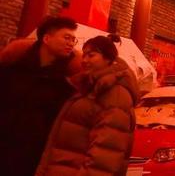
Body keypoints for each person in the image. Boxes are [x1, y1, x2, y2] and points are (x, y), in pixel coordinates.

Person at [36, 35, 138, 175]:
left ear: (108, 59)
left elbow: (104, 155)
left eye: (91, 55)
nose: (84, 60)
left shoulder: (114, 94)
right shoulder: (88, 87)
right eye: (84, 55)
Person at [0, 16, 80, 176]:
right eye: (66, 37)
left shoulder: (68, 81)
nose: (71, 43)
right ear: (47, 38)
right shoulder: (14, 66)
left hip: (34, 157)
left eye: (73, 40)